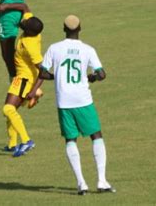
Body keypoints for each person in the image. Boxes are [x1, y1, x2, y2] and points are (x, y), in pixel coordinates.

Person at [26, 15, 116, 195]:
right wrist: (92, 77)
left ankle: (81, 183)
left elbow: (43, 73)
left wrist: (55, 76)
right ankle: (102, 180)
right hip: (83, 99)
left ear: (63, 29)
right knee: (96, 135)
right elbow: (102, 74)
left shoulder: (54, 48)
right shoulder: (87, 49)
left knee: (70, 139)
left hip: (64, 101)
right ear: (80, 28)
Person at [0, 2, 43, 158]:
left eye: (25, 23)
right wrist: (5, 7)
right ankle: (12, 144)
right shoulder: (31, 26)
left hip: (24, 80)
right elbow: (25, 7)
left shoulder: (30, 45)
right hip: (21, 78)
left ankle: (27, 141)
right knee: (11, 110)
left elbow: (43, 69)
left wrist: (33, 90)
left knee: (8, 109)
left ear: (29, 31)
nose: (23, 21)